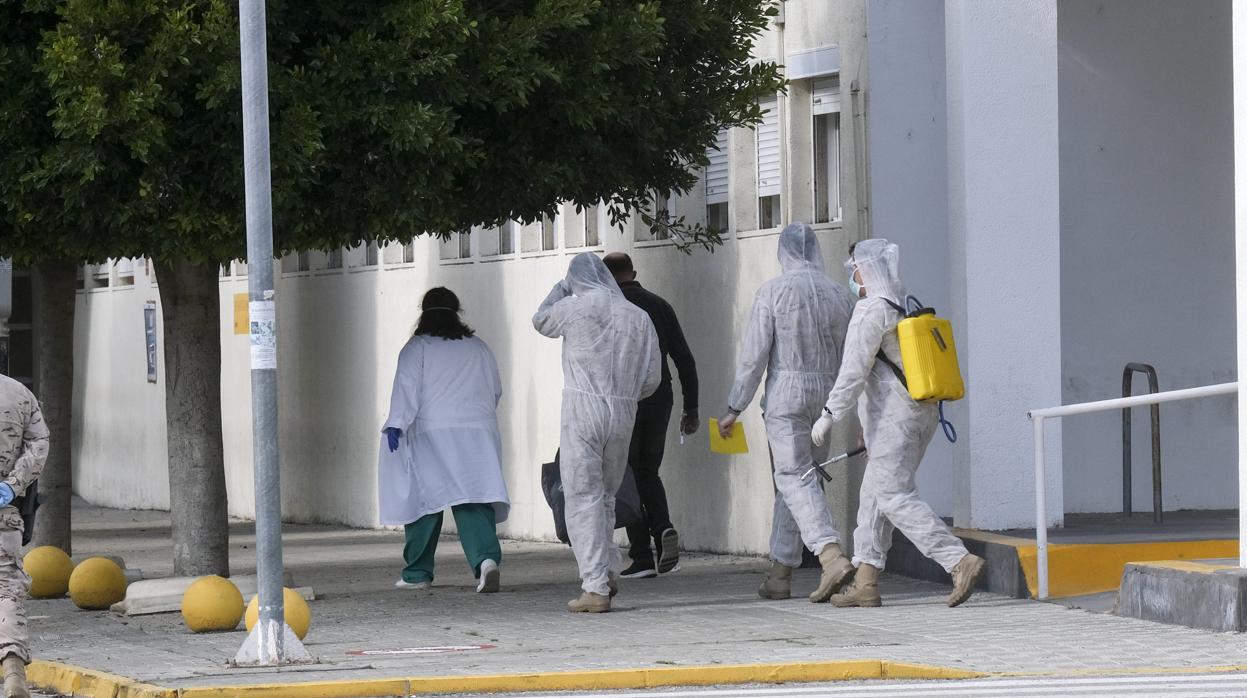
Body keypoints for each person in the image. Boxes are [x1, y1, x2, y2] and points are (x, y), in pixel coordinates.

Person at [812, 239, 985, 608]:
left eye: (853, 268)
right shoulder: (899, 306)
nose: (852, 275)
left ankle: (958, 560)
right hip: (916, 416)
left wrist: (829, 415)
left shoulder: (871, 309)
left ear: (867, 269)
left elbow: (854, 370)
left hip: (896, 421)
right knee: (874, 498)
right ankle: (866, 582)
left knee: (893, 496)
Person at [717, 222, 857, 603]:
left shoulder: (773, 292)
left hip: (787, 395)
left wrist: (734, 406)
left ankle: (830, 556)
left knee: (794, 478)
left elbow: (753, 357)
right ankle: (780, 572)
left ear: (783, 253)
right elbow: (854, 357)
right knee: (799, 482)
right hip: (827, 397)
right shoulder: (839, 295)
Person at [534, 252, 661, 613]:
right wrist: (624, 396)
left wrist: (562, 288)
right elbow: (652, 378)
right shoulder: (638, 316)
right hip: (623, 412)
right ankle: (606, 572)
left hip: (582, 410)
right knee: (606, 495)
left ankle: (595, 588)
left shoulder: (575, 308)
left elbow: (540, 319)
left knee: (581, 496)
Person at [379, 287, 509, 594]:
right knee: (473, 497)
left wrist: (397, 424)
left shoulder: (418, 347)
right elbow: (495, 390)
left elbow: (406, 390)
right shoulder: (478, 347)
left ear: (424, 315)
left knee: (424, 501)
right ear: (457, 313)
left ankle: (417, 573)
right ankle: (486, 561)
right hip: (478, 431)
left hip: (432, 433)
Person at [601, 252, 699, 579]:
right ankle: (664, 527)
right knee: (648, 471)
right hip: (660, 397)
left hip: (623, 397)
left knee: (626, 473)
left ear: (605, 277)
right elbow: (684, 358)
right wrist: (692, 408)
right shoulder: (660, 305)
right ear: (634, 272)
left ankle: (642, 554)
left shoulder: (609, 309)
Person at [0, 374, 48, 698]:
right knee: (6, 588)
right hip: (5, 512)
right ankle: (13, 668)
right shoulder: (18, 393)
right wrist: (12, 485)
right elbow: (39, 444)